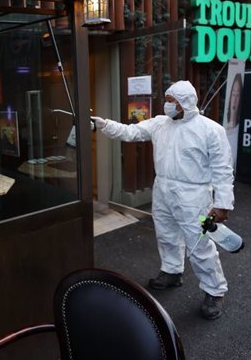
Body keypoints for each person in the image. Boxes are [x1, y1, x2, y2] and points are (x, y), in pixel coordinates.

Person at [92, 80, 234, 320]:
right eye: (166, 100)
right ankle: (172, 271)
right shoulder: (160, 124)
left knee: (199, 245)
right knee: (166, 234)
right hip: (163, 189)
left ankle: (214, 291)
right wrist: (102, 124)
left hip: (194, 194)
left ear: (185, 103)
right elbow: (130, 132)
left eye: (171, 101)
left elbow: (222, 169)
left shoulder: (211, 130)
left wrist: (222, 204)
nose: (166, 105)